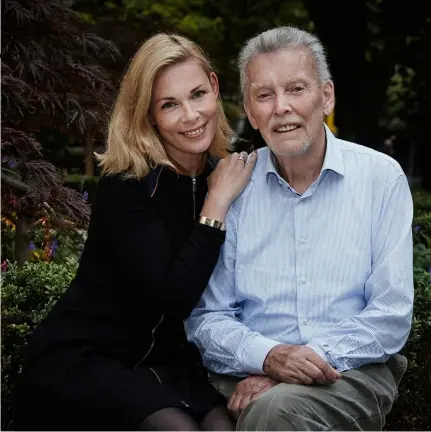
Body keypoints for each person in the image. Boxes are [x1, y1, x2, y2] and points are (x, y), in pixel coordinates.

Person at [14, 33, 257, 431]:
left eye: (197, 94)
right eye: (169, 105)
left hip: (170, 364)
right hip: (89, 357)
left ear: (215, 86)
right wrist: (215, 205)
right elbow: (171, 296)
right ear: (148, 114)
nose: (191, 115)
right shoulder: (128, 183)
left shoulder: (224, 174)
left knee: (221, 428)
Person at [186, 26, 414, 431]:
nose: (281, 107)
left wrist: (293, 365)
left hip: (351, 373)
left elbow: (390, 317)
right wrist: (269, 356)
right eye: (264, 95)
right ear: (252, 113)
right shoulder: (234, 186)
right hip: (242, 374)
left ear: (326, 96)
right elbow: (207, 316)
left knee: (277, 412)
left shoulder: (381, 178)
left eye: (296, 89)